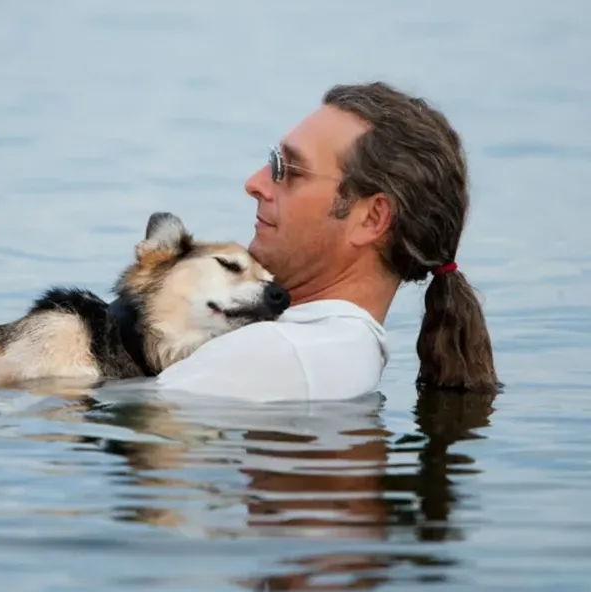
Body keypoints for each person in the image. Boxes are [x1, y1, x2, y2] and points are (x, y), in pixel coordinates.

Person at [156, 81, 499, 402]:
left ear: (372, 218)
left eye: (289, 170)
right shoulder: (335, 348)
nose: (255, 183)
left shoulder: (280, 354)